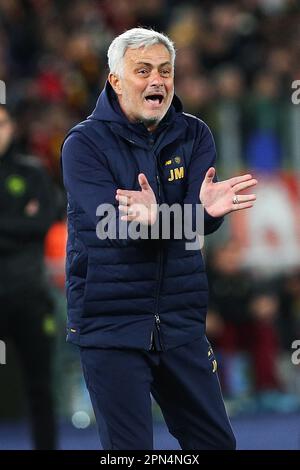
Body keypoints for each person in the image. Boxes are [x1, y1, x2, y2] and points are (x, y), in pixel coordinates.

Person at [61, 28, 257, 450]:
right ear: (115, 80)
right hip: (110, 327)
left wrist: (192, 216)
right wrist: (189, 217)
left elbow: (200, 226)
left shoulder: (195, 135)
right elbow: (108, 228)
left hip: (181, 323)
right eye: (143, 70)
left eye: (166, 71)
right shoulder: (83, 144)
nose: (158, 81)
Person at [0, 104, 58, 449]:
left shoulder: (32, 172)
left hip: (29, 296)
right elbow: (28, 226)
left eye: (3, 123)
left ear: (12, 128)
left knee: (40, 386)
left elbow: (41, 224)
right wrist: (19, 225)